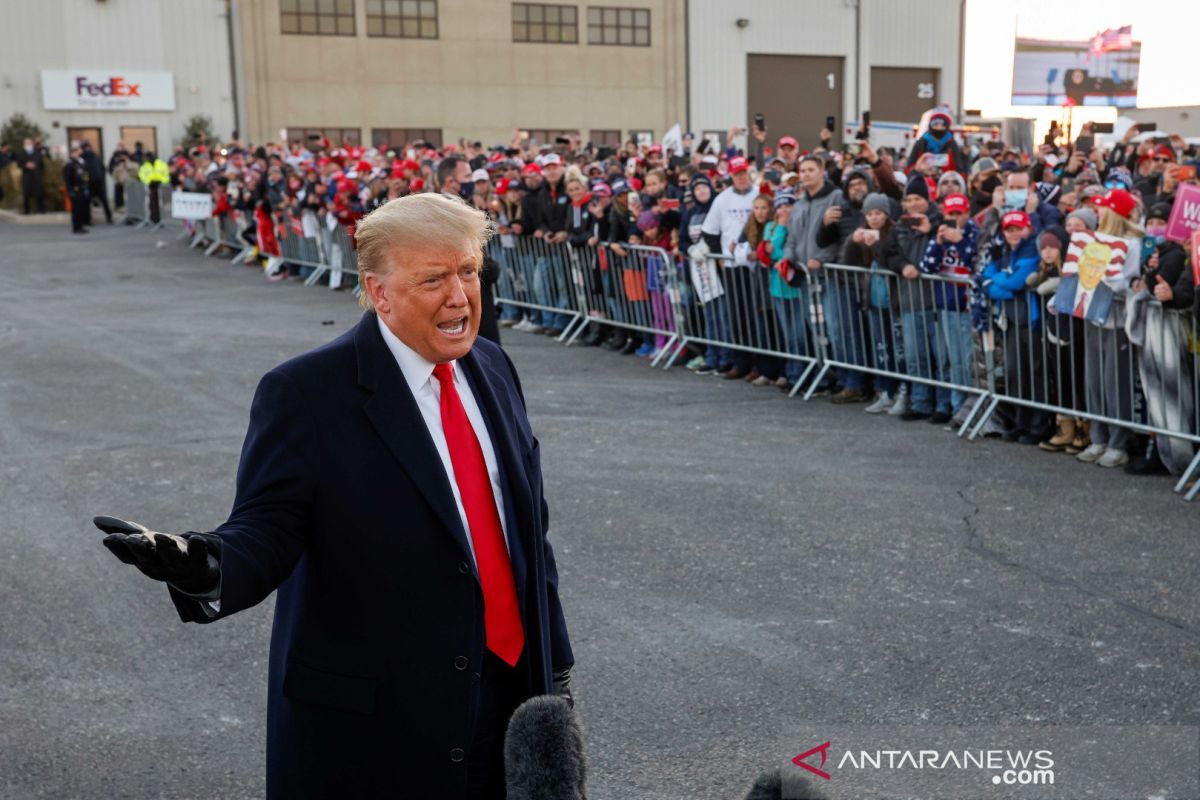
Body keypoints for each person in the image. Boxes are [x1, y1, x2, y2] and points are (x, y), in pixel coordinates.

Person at [94, 193, 574, 799]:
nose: (460, 297)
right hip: (381, 726)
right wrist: (203, 565)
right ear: (379, 292)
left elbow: (528, 532)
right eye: (434, 280)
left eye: (469, 272)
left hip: (508, 701)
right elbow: (267, 527)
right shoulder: (307, 394)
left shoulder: (494, 367)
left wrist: (553, 668)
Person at [438, 154, 501, 344]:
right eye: (467, 177)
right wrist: (492, 268)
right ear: (451, 181)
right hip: (465, 300)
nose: (471, 181)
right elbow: (467, 261)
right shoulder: (447, 212)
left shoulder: (459, 208)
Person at [81, 141, 113, 224]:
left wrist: (101, 178)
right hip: (89, 184)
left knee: (104, 201)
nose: (87, 149)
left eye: (88, 147)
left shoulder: (96, 156)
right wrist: (86, 182)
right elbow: (83, 172)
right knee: (87, 202)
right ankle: (87, 220)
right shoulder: (82, 158)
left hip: (98, 183)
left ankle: (109, 218)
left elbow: (102, 168)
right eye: (86, 147)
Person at [62, 144, 91, 234]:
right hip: (75, 189)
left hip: (82, 188)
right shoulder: (69, 164)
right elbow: (67, 179)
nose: (78, 153)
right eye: (76, 152)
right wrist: (70, 190)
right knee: (76, 210)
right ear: (72, 153)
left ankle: (81, 226)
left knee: (81, 209)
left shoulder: (81, 163)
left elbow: (85, 175)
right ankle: (76, 227)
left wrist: (86, 185)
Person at [138, 151, 170, 224]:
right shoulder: (145, 165)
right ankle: (154, 218)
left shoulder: (161, 164)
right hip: (151, 186)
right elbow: (141, 175)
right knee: (152, 202)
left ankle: (160, 218)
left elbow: (166, 174)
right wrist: (149, 182)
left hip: (161, 187)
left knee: (160, 203)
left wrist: (161, 181)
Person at [19, 137, 46, 215]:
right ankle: (26, 210)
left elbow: (42, 164)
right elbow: (19, 163)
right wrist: (26, 165)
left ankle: (41, 209)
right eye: (27, 143)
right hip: (27, 176)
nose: (28, 145)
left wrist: (35, 165)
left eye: (30, 143)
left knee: (39, 192)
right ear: (23, 144)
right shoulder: (21, 153)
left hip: (36, 175)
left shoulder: (37, 153)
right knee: (26, 193)